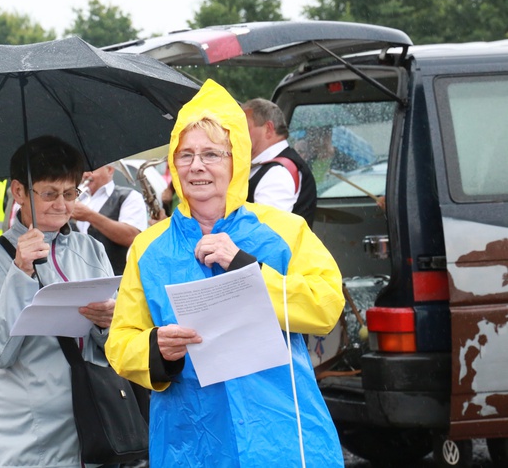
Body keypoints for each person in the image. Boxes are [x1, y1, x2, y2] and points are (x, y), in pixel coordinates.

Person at [105, 80, 346, 467]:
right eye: (185, 155)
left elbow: (326, 306)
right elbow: (120, 341)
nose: (197, 166)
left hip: (280, 433)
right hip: (191, 439)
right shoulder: (148, 248)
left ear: (236, 162)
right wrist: (156, 349)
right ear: (173, 165)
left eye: (212, 154)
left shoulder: (284, 231)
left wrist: (247, 268)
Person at [0, 135, 116, 467]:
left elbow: (113, 347)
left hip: (91, 426)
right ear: (19, 191)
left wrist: (107, 323)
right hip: (24, 437)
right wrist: (20, 271)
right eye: (49, 194)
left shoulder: (91, 250)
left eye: (70, 193)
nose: (62, 205)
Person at [242, 98, 317, 227]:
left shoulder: (278, 173)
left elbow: (267, 231)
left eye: (244, 127)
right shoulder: (268, 167)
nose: (238, 134)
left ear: (269, 129)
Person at [72, 164, 148, 275]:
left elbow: (133, 237)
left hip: (116, 278)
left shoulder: (129, 196)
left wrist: (90, 216)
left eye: (91, 169)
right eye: (84, 170)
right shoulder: (77, 198)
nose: (86, 174)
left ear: (110, 169)